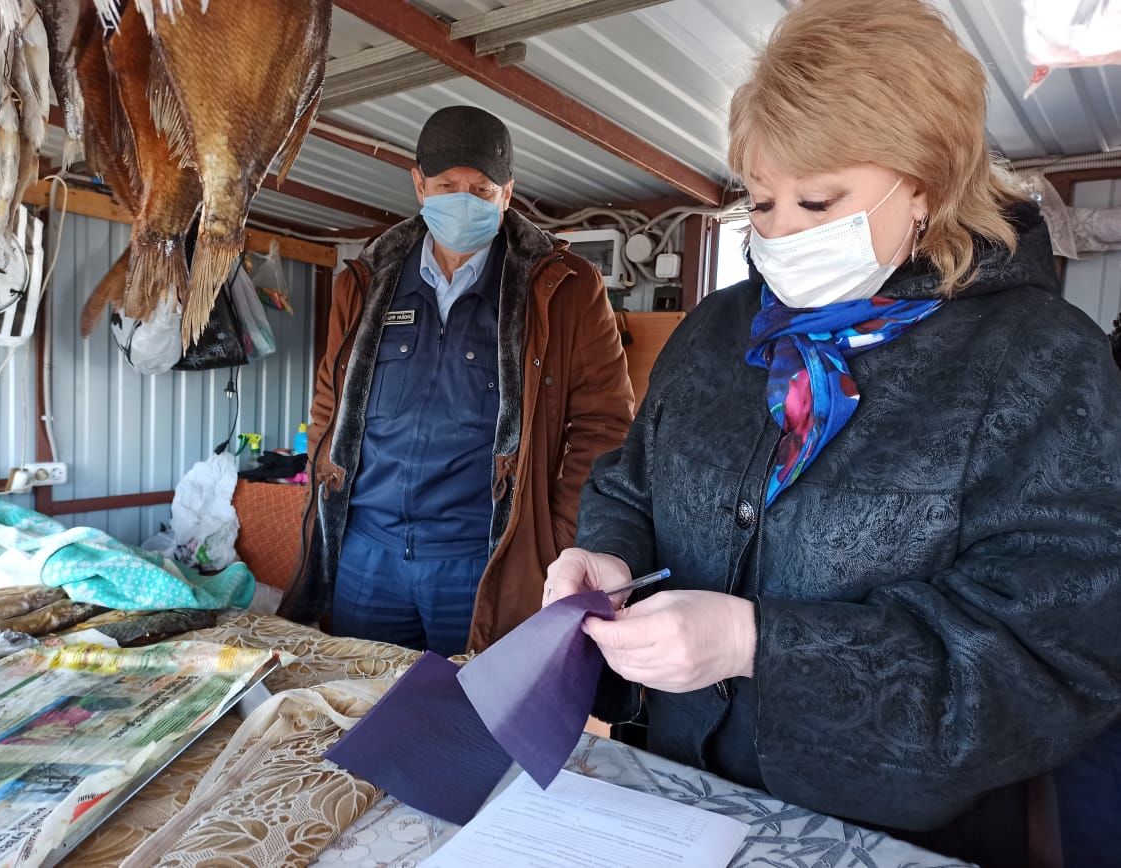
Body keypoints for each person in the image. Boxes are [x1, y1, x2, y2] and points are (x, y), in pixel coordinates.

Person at [543, 1, 1121, 865]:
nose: (780, 233)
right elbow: (633, 479)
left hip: (892, 825)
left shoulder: (1039, 361)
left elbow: (1052, 658)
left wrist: (759, 645)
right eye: (763, 200)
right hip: (673, 784)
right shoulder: (714, 332)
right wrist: (609, 553)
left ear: (925, 183)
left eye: (818, 199)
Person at [279, 106, 633, 656]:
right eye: (447, 185)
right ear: (419, 186)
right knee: (362, 716)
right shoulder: (365, 283)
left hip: (482, 563)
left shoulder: (564, 289)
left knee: (475, 723)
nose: (464, 199)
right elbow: (330, 399)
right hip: (367, 556)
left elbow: (605, 428)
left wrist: (558, 540)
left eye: (481, 188)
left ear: (507, 194)